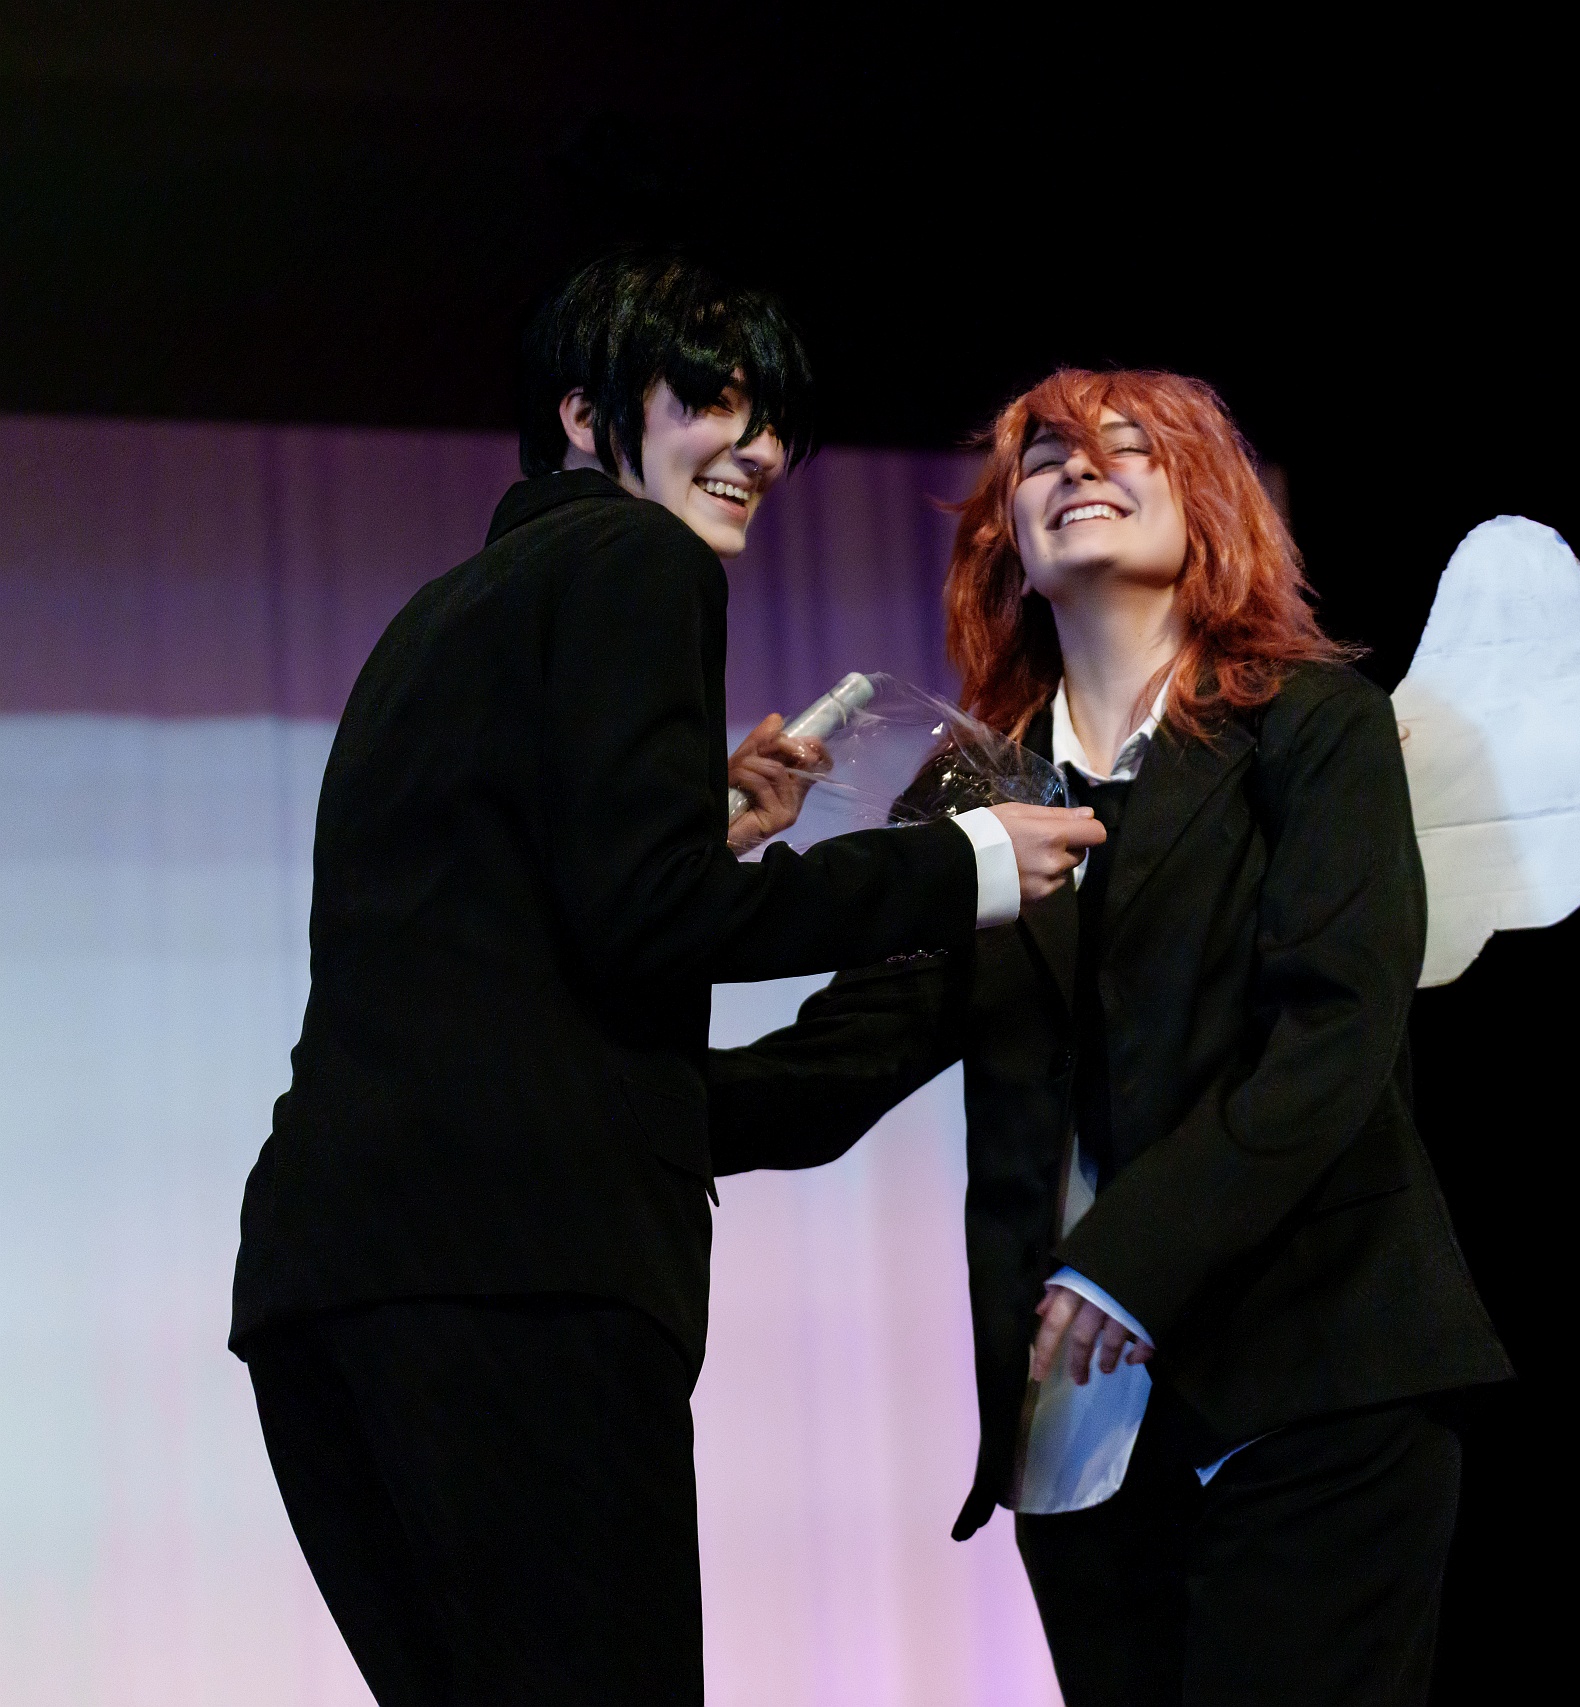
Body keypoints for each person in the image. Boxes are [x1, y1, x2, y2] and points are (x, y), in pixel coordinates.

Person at [226, 250, 1104, 1706]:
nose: (757, 450)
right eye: (709, 402)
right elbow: (647, 915)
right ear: (585, 415)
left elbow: (508, 918)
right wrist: (964, 865)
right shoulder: (640, 562)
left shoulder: (436, 618)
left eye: (774, 423)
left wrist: (694, 822)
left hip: (329, 1292)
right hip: (521, 1281)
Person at [706, 368, 1513, 1705]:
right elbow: (844, 1058)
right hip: (1081, 1439)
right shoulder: (975, 790)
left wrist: (1124, 1262)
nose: (1080, 471)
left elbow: (1331, 1034)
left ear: (1207, 502)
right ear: (1006, 543)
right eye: (1044, 461)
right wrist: (598, 1091)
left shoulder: (1312, 725)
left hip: (1318, 1377)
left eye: (1127, 448)